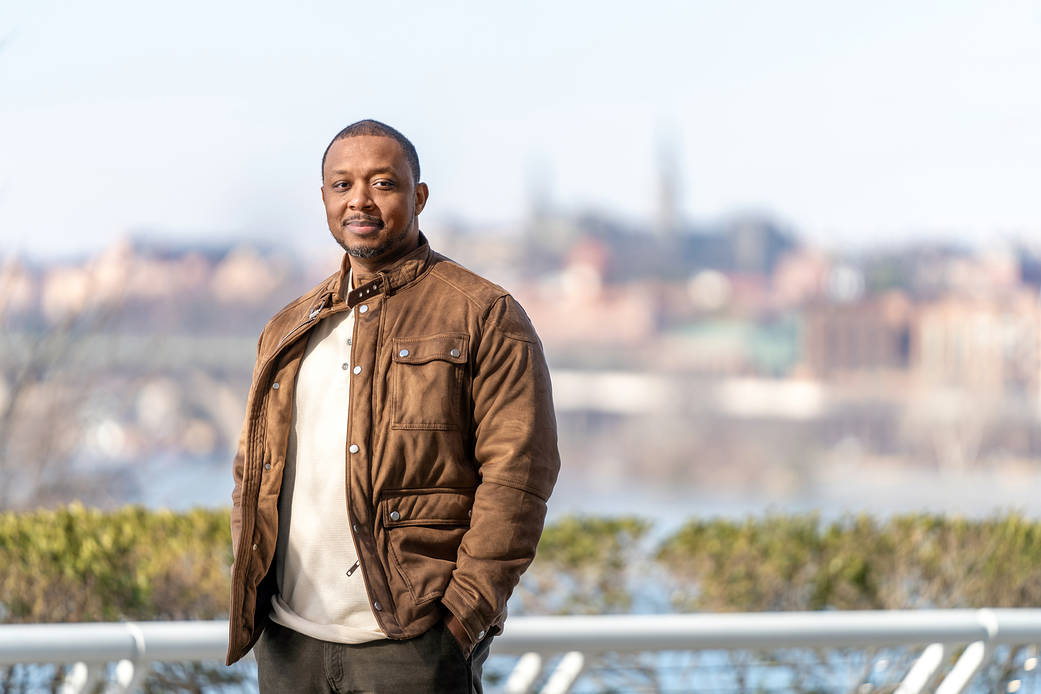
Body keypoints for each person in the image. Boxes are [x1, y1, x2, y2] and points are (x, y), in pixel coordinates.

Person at [225, 119, 560, 693]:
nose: (360, 200)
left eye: (383, 184)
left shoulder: (482, 313)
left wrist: (460, 621)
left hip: (413, 646)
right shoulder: (288, 328)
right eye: (342, 185)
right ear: (325, 197)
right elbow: (253, 473)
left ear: (418, 196)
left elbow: (519, 473)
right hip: (288, 644)